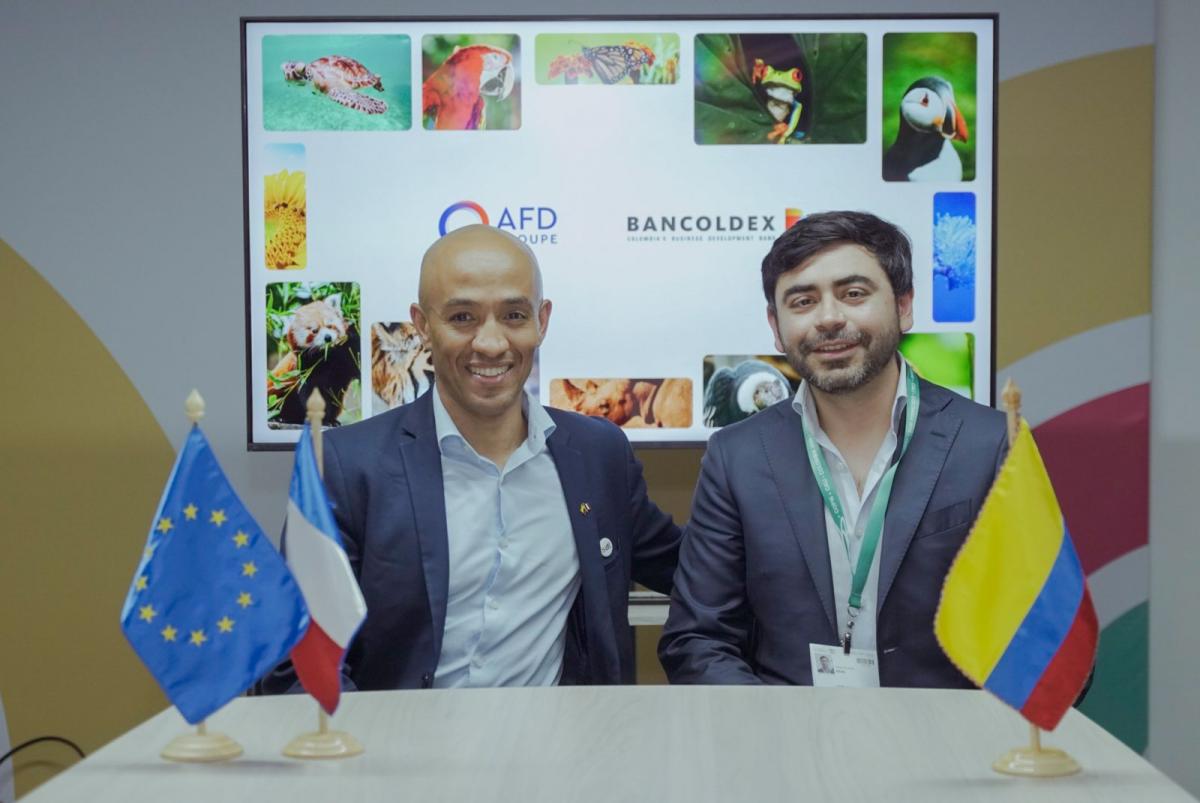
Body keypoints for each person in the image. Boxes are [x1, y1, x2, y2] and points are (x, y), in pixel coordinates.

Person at [262, 224, 680, 691]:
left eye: (515, 315)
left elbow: (694, 571)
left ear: (542, 320)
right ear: (422, 324)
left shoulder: (597, 455)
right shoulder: (345, 466)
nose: (491, 343)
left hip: (558, 751)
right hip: (399, 753)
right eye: (462, 317)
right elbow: (296, 661)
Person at [658, 210, 1008, 687]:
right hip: (788, 746)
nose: (828, 319)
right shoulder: (736, 458)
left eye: (854, 294)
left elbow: (1042, 636)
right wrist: (783, 736)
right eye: (802, 301)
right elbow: (698, 640)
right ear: (776, 328)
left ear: (904, 306)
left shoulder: (991, 445)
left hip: (944, 746)